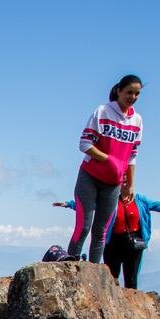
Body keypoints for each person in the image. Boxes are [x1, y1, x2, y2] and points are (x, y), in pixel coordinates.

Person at [68, 74, 144, 264]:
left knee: (101, 230)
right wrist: (108, 159)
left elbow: (132, 155)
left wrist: (131, 184)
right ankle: (70, 263)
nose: (132, 97)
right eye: (129, 92)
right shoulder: (103, 112)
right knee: (84, 226)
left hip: (114, 183)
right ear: (119, 91)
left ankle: (93, 270)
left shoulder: (137, 121)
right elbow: (84, 144)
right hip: (90, 176)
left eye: (137, 94)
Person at [52, 193, 160, 288]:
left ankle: (131, 307)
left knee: (131, 279)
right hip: (113, 243)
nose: (124, 184)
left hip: (134, 244)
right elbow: (89, 204)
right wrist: (69, 204)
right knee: (111, 277)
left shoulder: (140, 200)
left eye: (127, 180)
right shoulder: (109, 199)